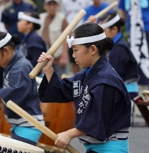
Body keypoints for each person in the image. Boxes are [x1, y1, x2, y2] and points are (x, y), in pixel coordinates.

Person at [38, 22, 131, 152]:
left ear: (92, 49)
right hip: (95, 148)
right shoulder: (86, 74)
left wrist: (69, 134)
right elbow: (64, 90)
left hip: (110, 149)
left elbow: (96, 119)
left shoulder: (106, 81)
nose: (73, 55)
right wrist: (49, 70)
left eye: (76, 50)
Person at [99, 12, 139, 100]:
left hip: (126, 93)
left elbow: (114, 75)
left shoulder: (120, 48)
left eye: (104, 31)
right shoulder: (114, 46)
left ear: (114, 29)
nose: (101, 36)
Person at [38, 0, 69, 77]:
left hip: (58, 57)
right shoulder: (41, 17)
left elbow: (66, 37)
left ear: (58, 6)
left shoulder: (62, 18)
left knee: (61, 78)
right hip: (44, 57)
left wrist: (64, 55)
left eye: (54, 5)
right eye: (49, 5)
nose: (52, 7)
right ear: (45, 6)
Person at [61, 0, 92, 75]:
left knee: (86, 57)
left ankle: (87, 76)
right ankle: (78, 78)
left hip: (84, 34)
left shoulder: (87, 2)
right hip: (71, 35)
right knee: (74, 60)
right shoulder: (64, 2)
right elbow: (63, 16)